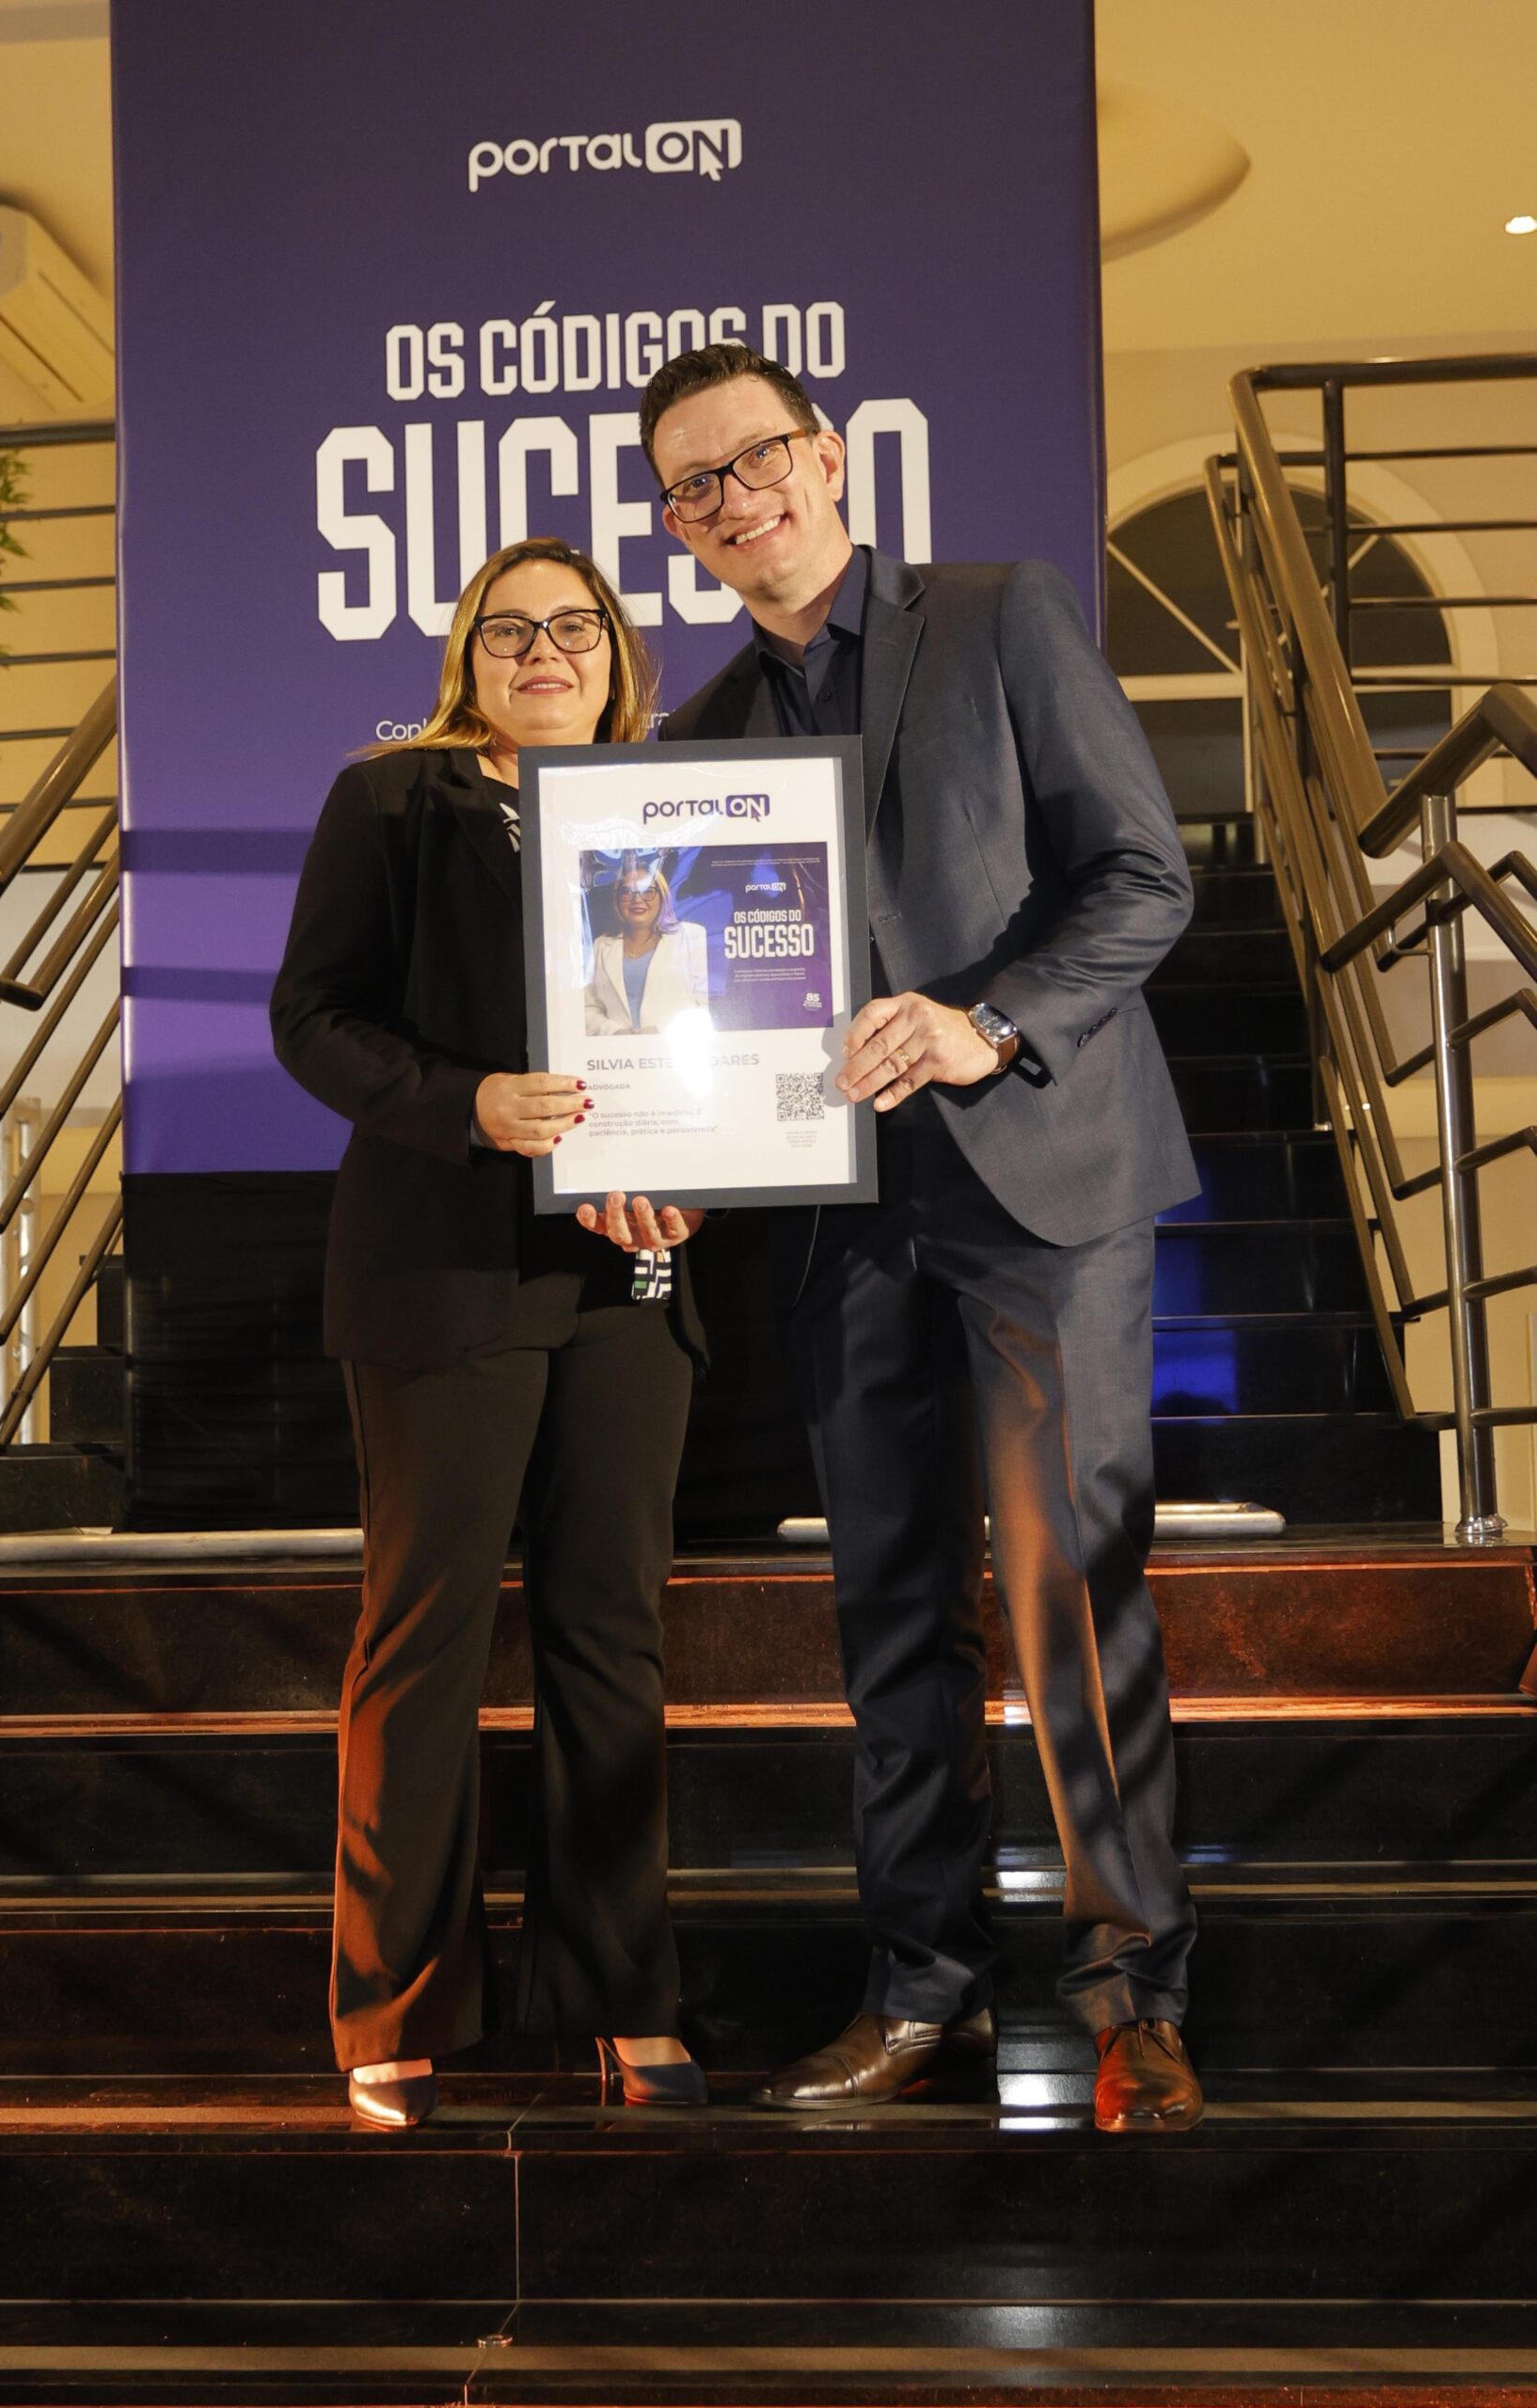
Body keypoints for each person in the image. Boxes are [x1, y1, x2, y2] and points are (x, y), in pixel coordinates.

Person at [641, 342, 1204, 2134]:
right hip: (841, 1219)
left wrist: (987, 1020)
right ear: (682, 531)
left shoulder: (997, 615)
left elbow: (1143, 875)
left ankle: (1131, 1996)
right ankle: (921, 1991)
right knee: (890, 1608)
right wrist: (659, 1139)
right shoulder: (693, 746)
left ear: (826, 459)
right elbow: (688, 1014)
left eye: (753, 459)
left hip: (1045, 1180)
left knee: (1068, 1594)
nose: (732, 501)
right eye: (692, 487)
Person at [271, 537, 708, 2128]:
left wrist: (697, 1167)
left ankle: (620, 1994)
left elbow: (719, 1034)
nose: (543, 651)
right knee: (426, 1633)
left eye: (573, 627)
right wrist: (466, 1105)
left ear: (618, 656)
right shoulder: (394, 799)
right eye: (508, 628)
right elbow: (312, 1017)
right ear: (466, 655)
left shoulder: (677, 815)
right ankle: (391, 2005)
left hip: (625, 1281)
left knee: (610, 1633)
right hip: (444, 1268)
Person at [584, 858, 710, 1035]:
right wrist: (613, 1032)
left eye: (648, 891)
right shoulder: (600, 946)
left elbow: (709, 1007)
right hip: (618, 1050)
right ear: (618, 900)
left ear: (662, 896)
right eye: (627, 892)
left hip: (673, 1048)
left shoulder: (693, 937)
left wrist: (663, 1032)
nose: (637, 899)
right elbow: (588, 1008)